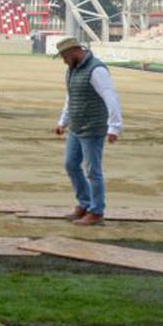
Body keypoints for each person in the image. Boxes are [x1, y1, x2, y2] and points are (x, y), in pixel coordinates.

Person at [53, 37, 122, 226]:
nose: (64, 61)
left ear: (74, 52)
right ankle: (85, 203)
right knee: (71, 165)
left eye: (64, 56)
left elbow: (110, 96)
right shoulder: (73, 70)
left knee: (93, 171)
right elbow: (71, 97)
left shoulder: (97, 70)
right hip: (76, 127)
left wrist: (114, 126)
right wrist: (63, 122)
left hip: (93, 128)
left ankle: (96, 212)